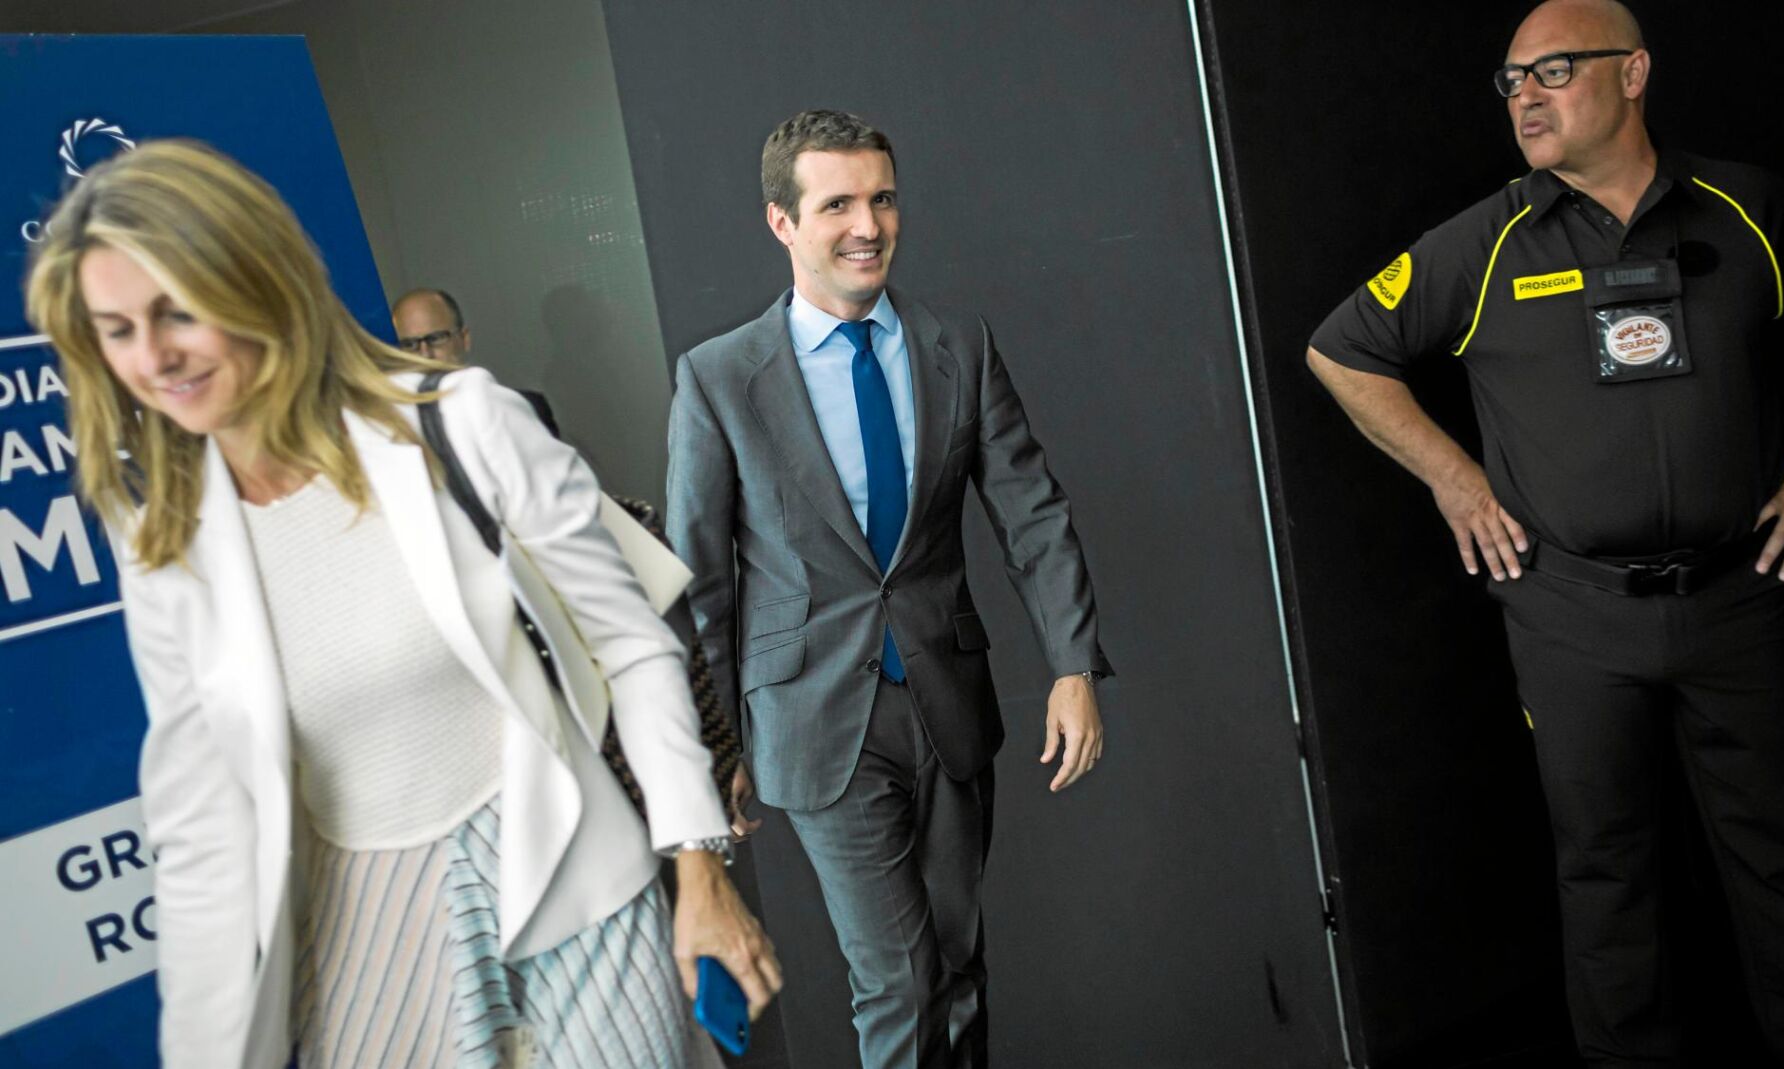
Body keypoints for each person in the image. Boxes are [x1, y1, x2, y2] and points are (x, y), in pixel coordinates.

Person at [25, 140, 781, 1068]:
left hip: (571, 874)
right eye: (116, 330)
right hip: (365, 935)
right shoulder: (165, 538)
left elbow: (631, 643)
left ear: (255, 281)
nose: (153, 357)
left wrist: (699, 868)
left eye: (177, 310)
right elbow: (196, 818)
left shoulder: (459, 420)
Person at [1304, 1, 1784, 1064]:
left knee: (1782, 859)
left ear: (1633, 73)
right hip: (1571, 612)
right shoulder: (1489, 241)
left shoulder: (1747, 208)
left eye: (1553, 71)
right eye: (1512, 80)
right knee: (1605, 869)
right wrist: (1454, 480)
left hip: (1738, 595)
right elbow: (1341, 349)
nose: (1524, 97)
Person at [664, 109, 1111, 1069]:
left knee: (958, 964)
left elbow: (1031, 511)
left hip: (949, 701)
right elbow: (700, 582)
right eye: (837, 205)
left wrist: (1073, 665)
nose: (867, 225)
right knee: (900, 981)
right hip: (816, 721)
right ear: (782, 222)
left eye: (883, 198)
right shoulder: (720, 377)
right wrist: (716, 742)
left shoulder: (958, 345)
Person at [393, 286, 560, 436]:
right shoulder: (395, 431)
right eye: (410, 344)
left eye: (436, 338)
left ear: (464, 339)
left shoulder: (523, 410)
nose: (425, 354)